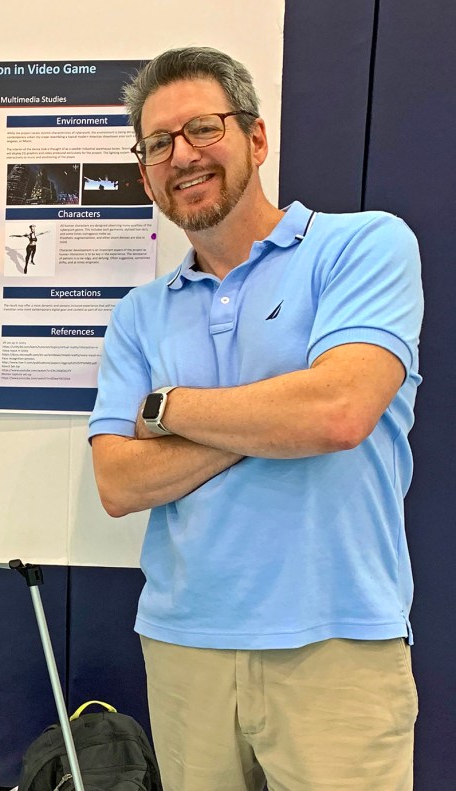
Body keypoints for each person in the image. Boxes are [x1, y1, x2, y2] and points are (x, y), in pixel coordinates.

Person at [87, 47, 422, 790]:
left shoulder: (363, 246)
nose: (183, 155)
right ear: (145, 174)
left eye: (203, 128)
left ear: (256, 137)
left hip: (338, 642)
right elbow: (118, 481)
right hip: (185, 645)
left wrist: (170, 409)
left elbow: (338, 413)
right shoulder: (139, 314)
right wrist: (274, 414)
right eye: (158, 143)